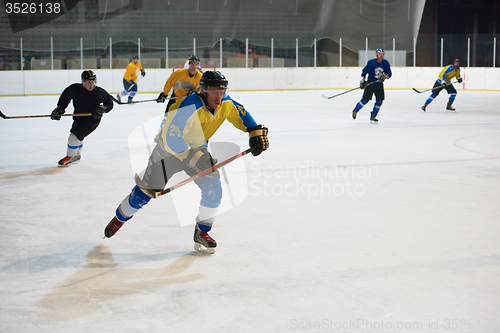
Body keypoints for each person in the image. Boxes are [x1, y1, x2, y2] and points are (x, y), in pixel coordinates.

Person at [104, 71, 269, 254]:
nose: (219, 97)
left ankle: (202, 232)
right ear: (204, 90)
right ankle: (120, 218)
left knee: (214, 189)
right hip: (166, 153)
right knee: (144, 194)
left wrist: (254, 132)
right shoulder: (189, 106)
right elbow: (171, 140)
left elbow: (242, 115)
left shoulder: (227, 103)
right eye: (215, 92)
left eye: (222, 92)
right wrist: (195, 158)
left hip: (197, 149)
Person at [51, 70, 113, 167]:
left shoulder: (99, 92)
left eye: (93, 82)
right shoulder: (75, 89)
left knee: (74, 136)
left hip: (92, 120)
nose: (91, 85)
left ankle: (70, 156)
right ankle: (77, 154)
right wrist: (60, 109)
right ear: (83, 82)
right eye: (88, 82)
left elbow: (109, 103)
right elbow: (65, 97)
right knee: (78, 136)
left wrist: (104, 108)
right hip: (78, 118)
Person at [352, 48, 392, 122]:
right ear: (376, 54)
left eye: (382, 54)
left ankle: (373, 116)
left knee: (379, 101)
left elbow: (389, 73)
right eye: (379, 53)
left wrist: (386, 76)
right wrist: (362, 80)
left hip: (379, 85)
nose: (381, 55)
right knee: (365, 100)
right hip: (370, 84)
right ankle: (355, 110)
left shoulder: (385, 63)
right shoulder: (371, 62)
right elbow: (365, 71)